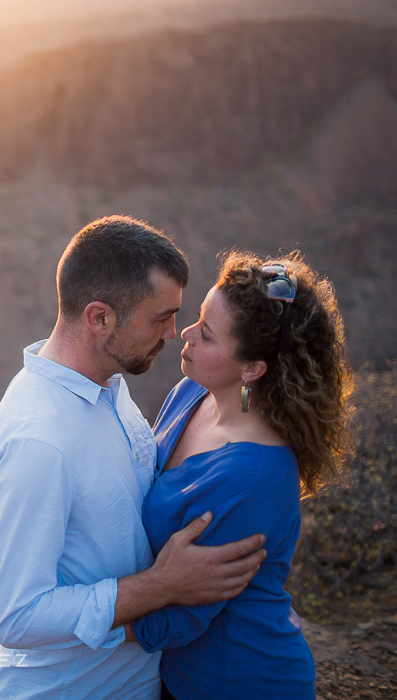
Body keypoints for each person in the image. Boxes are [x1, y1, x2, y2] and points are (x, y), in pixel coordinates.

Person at [0, 216, 268, 700]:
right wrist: (162, 586)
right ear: (100, 319)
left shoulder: (108, 385)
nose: (175, 333)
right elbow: (16, 616)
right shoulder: (39, 441)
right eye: (161, 318)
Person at [128, 250, 354, 700]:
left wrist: (68, 623)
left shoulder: (252, 478)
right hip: (177, 676)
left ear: (252, 369)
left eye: (207, 335)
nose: (185, 335)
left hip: (232, 680)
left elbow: (180, 620)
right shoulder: (193, 391)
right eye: (198, 318)